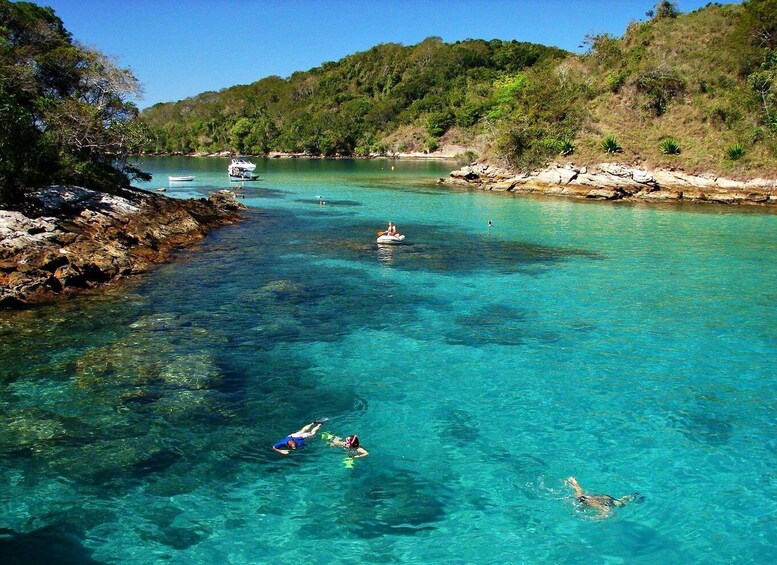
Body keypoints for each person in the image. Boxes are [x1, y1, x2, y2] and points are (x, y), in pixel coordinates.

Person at [566, 476, 641, 517]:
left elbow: (606, 510)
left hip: (608, 501)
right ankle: (633, 496)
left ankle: (634, 497)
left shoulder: (591, 502)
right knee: (621, 502)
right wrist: (573, 482)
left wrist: (598, 517)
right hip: (604, 498)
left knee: (621, 503)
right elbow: (578, 489)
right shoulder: (581, 497)